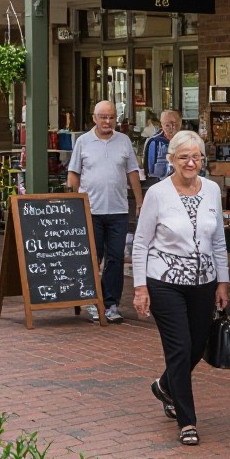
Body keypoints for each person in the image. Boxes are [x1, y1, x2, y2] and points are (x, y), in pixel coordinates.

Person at [132, 130, 228, 447]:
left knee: (197, 345)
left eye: (196, 156)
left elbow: (217, 240)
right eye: (183, 156)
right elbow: (141, 243)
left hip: (204, 281)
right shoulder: (158, 194)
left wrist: (223, 281)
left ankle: (164, 385)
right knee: (179, 348)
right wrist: (140, 287)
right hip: (165, 281)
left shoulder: (213, 189)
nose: (191, 162)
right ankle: (187, 421)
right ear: (171, 159)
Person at [67, 100, 143, 324]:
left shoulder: (124, 141)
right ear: (94, 118)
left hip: (118, 210)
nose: (107, 121)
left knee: (116, 259)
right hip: (91, 210)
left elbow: (132, 172)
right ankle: (92, 301)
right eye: (103, 117)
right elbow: (73, 175)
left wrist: (140, 201)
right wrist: (72, 203)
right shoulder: (83, 141)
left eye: (111, 117)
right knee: (93, 257)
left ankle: (111, 304)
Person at [145, 109, 181, 186]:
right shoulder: (154, 142)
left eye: (174, 124)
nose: (171, 128)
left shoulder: (188, 141)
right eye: (167, 125)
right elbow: (150, 173)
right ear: (161, 124)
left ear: (180, 123)